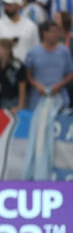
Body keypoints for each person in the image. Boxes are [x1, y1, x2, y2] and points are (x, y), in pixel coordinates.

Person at [24, 21, 73, 180]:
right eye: (53, 31)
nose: (57, 34)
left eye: (58, 31)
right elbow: (28, 75)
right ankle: (34, 173)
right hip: (38, 101)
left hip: (59, 103)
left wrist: (60, 85)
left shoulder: (64, 52)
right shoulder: (33, 52)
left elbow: (70, 73)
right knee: (37, 139)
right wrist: (37, 84)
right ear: (44, 33)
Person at [0, 38, 27, 113]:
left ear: (7, 50)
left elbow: (22, 87)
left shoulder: (17, 66)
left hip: (13, 99)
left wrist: (20, 106)